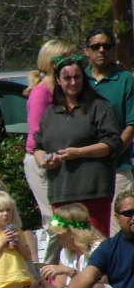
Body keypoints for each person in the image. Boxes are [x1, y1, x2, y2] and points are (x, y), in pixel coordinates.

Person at [33, 56, 122, 237]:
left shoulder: (99, 106)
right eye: (67, 78)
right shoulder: (50, 113)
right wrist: (44, 161)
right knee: (66, 242)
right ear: (58, 80)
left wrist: (78, 153)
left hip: (92, 191)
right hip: (60, 193)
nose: (73, 82)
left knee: (94, 243)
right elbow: (38, 146)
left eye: (77, 77)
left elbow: (112, 144)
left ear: (84, 78)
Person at [83, 27, 134, 235]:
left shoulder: (125, 79)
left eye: (107, 46)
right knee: (88, 230)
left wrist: (113, 151)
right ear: (87, 50)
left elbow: (131, 124)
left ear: (114, 49)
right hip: (84, 169)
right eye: (96, 46)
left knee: (120, 229)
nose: (101, 50)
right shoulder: (79, 80)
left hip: (117, 167)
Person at [23, 40, 76, 236]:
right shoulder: (41, 93)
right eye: (65, 58)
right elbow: (36, 136)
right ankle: (55, 255)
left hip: (61, 159)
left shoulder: (63, 90)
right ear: (53, 63)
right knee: (54, 218)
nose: (71, 62)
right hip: (42, 160)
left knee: (69, 217)